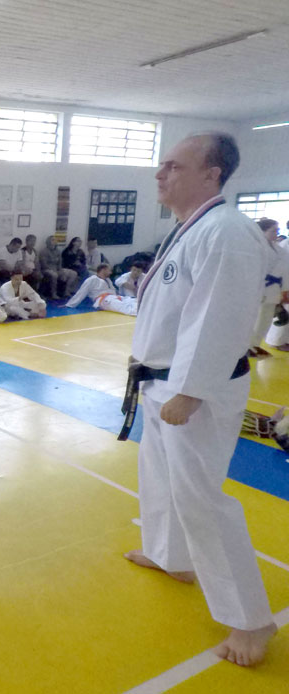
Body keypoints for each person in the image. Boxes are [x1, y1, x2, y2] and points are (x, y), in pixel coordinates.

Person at [124, 132, 275, 666]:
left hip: (194, 388)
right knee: (160, 477)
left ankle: (251, 621)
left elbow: (218, 318)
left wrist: (190, 391)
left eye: (173, 166)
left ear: (211, 174)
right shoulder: (192, 227)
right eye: (162, 165)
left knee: (200, 499)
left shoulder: (226, 231)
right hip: (159, 380)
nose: (160, 174)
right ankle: (171, 556)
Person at [249, 218, 289, 358]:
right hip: (260, 287)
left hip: (275, 288)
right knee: (256, 319)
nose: (276, 233)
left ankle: (255, 345)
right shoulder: (255, 248)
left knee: (265, 321)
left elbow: (285, 270)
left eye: (277, 231)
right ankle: (248, 347)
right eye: (273, 231)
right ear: (262, 231)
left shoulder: (278, 249)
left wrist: (285, 289)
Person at [38, 235, 75, 299]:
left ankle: (67, 291)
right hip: (47, 269)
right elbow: (44, 265)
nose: (54, 241)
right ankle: (53, 293)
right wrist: (54, 271)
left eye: (55, 240)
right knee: (54, 275)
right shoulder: (44, 251)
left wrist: (61, 271)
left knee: (73, 273)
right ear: (48, 242)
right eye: (52, 240)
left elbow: (60, 263)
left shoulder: (58, 251)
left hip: (56, 269)